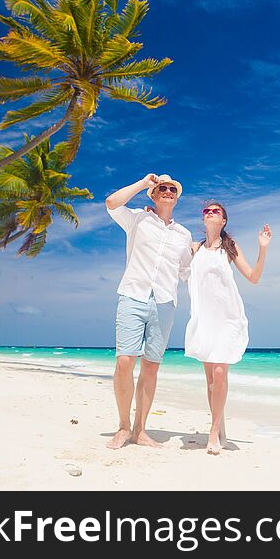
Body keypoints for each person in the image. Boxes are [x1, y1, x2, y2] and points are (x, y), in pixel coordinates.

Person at [104, 173, 193, 449]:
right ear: (154, 195)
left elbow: (187, 272)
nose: (167, 191)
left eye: (172, 189)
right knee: (124, 362)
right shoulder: (137, 219)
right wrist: (144, 182)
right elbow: (110, 202)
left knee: (151, 367)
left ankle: (140, 430)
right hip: (133, 295)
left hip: (164, 303)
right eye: (162, 188)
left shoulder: (183, 235)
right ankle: (123, 426)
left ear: (176, 198)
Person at [184, 200, 272, 454]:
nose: (210, 213)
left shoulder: (230, 247)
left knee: (221, 372)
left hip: (227, 318)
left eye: (216, 211)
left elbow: (253, 278)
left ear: (223, 220)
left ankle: (213, 433)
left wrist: (262, 249)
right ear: (204, 219)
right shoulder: (194, 248)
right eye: (206, 211)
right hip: (204, 319)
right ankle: (219, 425)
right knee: (211, 380)